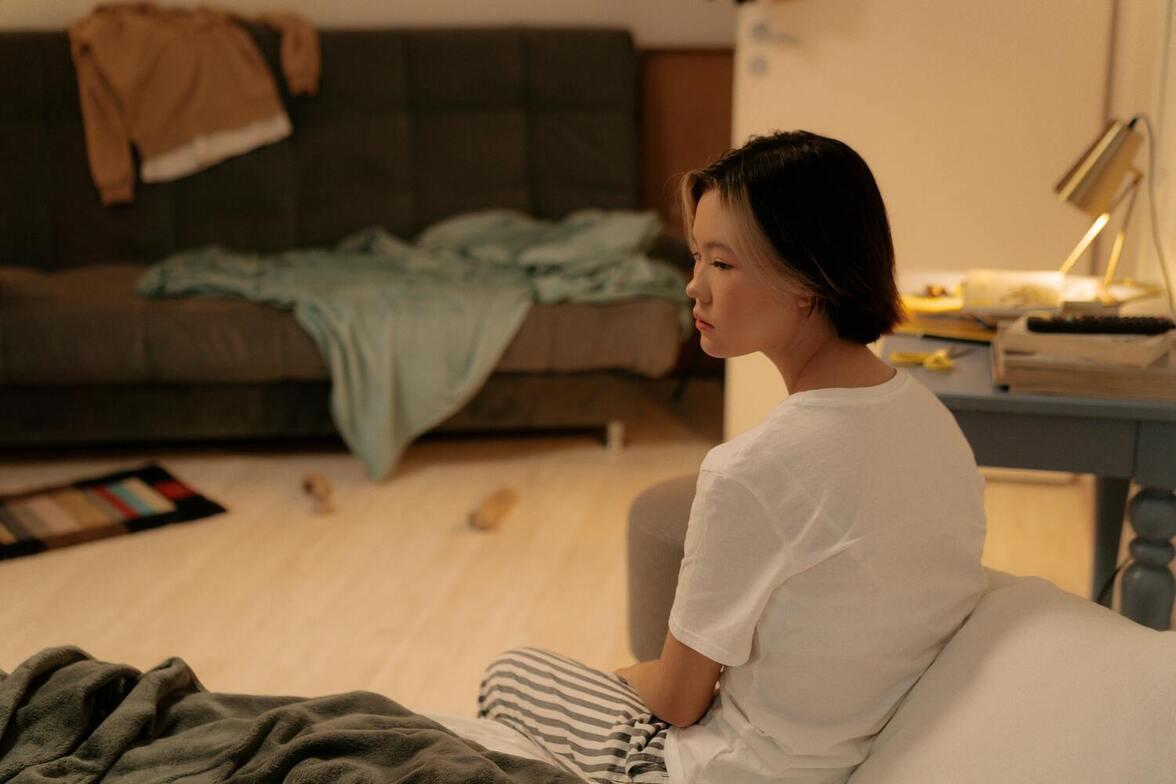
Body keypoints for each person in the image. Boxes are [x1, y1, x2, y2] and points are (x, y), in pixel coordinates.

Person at [476, 130, 989, 784]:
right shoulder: (930, 421)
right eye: (697, 257)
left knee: (511, 672)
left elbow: (677, 702)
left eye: (721, 263)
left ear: (807, 279)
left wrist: (624, 677)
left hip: (720, 771)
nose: (694, 287)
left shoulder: (750, 471)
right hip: (852, 747)